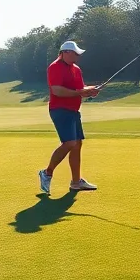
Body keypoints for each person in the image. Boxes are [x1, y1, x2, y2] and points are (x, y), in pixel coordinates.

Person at [38, 41, 101, 194]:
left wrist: (90, 90)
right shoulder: (55, 67)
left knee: (77, 144)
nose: (78, 56)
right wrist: (80, 92)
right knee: (69, 143)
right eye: (75, 53)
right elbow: (57, 90)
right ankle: (47, 173)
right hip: (60, 110)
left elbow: (80, 88)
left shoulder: (76, 69)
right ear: (65, 52)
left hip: (73, 110)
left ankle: (76, 182)